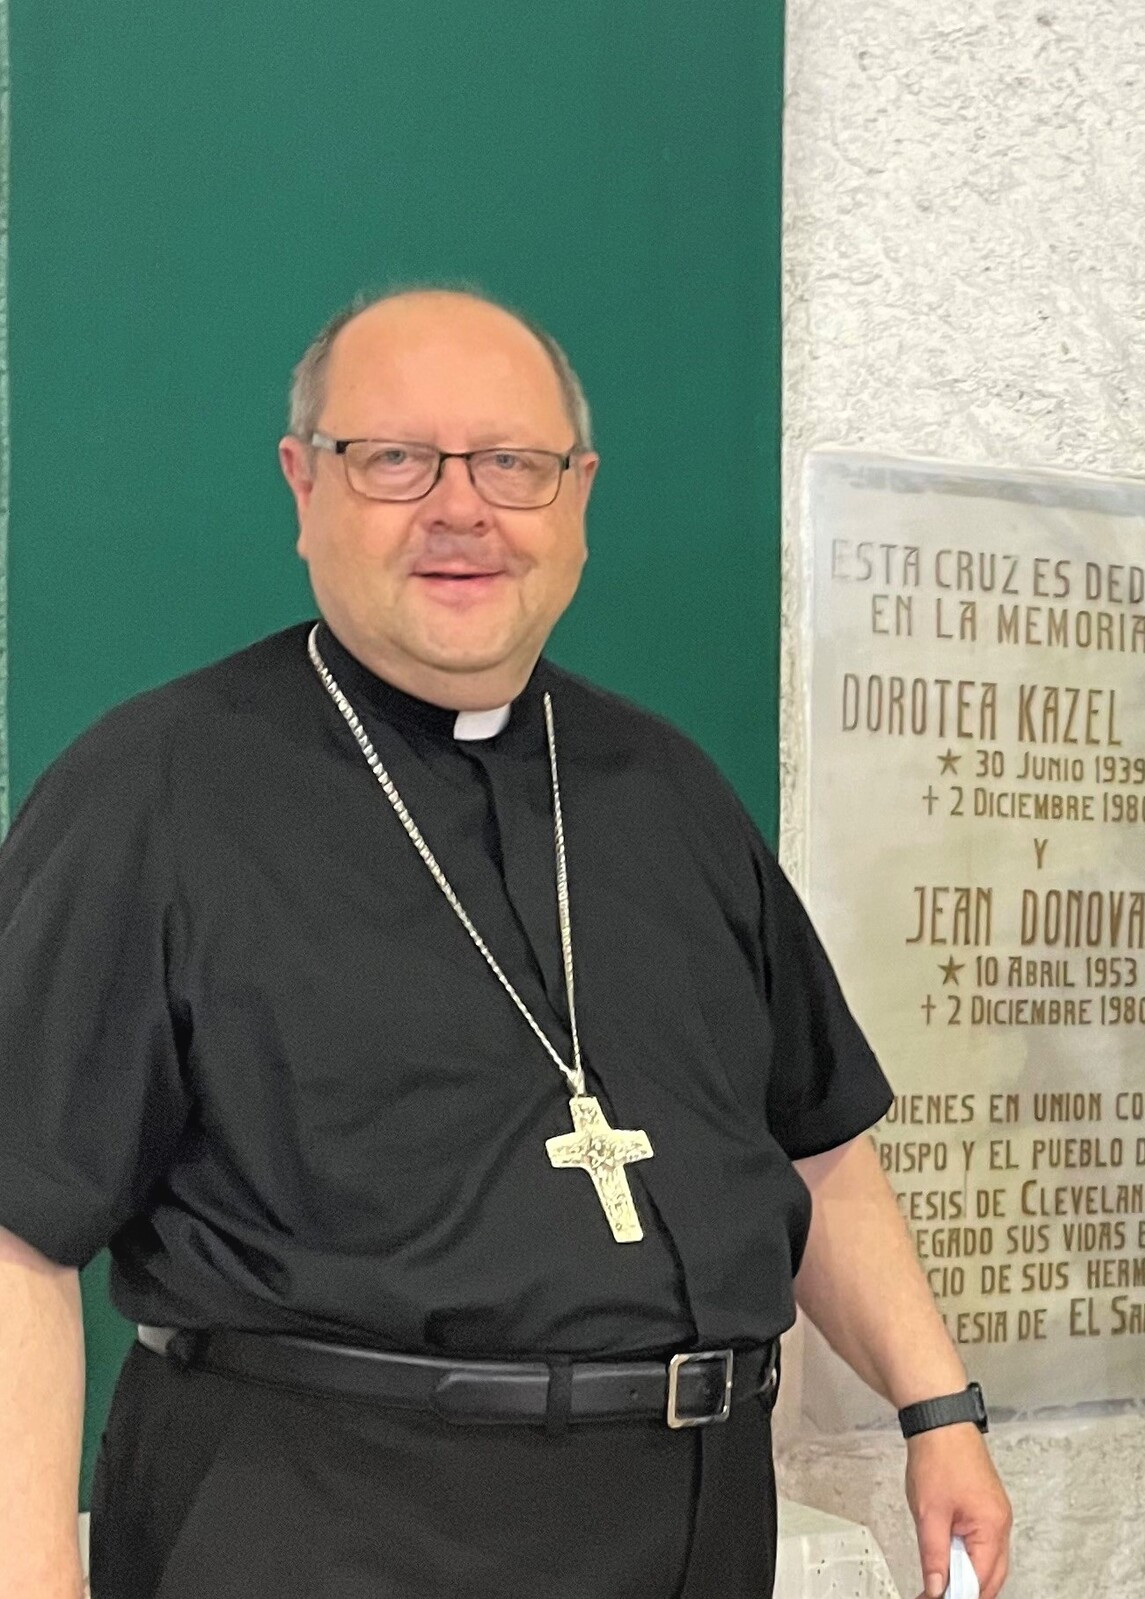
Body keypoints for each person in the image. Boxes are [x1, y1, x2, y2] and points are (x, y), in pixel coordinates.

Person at [0, 287, 1011, 1599]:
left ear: (578, 496)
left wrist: (940, 1409)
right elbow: (18, 1229)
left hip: (694, 1527)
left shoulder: (668, 789)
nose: (461, 508)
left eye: (512, 464)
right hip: (328, 1527)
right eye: (396, 459)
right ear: (303, 483)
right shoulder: (155, 788)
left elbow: (814, 1146)